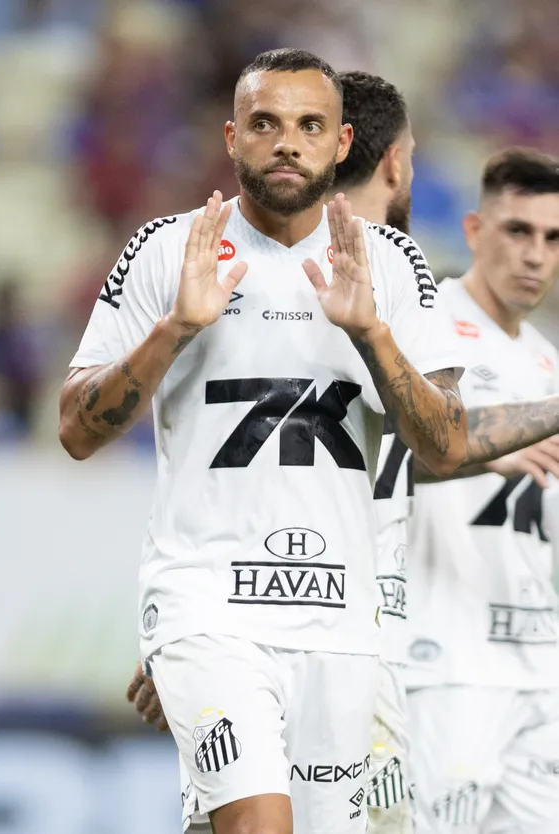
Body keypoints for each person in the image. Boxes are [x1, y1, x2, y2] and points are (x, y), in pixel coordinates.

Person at [60, 48, 468, 834]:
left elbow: (444, 447)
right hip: (206, 611)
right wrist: (173, 331)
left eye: (310, 125)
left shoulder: (390, 265)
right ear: (231, 138)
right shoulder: (165, 251)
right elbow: (76, 429)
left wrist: (373, 336)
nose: (287, 142)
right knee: (257, 825)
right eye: (266, 124)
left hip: (340, 626)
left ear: (342, 143)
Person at [406, 148, 559, 833]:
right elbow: (376, 460)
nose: (536, 255)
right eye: (518, 231)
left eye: (553, 239)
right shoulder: (425, 326)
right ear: (473, 230)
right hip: (447, 663)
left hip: (538, 669)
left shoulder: (549, 362)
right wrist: (482, 450)